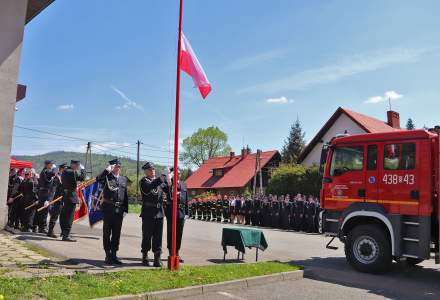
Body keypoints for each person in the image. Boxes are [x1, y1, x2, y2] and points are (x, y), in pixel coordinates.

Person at [96, 159, 129, 265]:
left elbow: (125, 195)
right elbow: (98, 179)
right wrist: (106, 171)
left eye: (119, 166)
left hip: (119, 210)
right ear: (111, 167)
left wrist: (126, 209)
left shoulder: (123, 179)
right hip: (108, 209)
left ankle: (114, 254)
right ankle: (107, 254)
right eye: (115, 166)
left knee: (116, 233)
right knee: (107, 232)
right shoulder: (106, 177)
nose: (117, 168)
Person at [139, 162, 168, 267]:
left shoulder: (159, 182)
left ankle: (157, 258)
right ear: (146, 171)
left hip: (159, 212)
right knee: (147, 235)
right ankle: (145, 256)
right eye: (150, 169)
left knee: (158, 236)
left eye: (154, 169)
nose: (153, 171)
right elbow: (149, 188)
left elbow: (168, 190)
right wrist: (161, 178)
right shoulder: (144, 181)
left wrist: (170, 180)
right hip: (148, 212)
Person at [164, 168, 188, 263]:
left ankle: (177, 253)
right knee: (171, 232)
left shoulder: (183, 184)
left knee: (179, 233)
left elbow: (186, 199)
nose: (178, 174)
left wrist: (187, 212)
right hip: (172, 211)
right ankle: (171, 252)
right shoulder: (169, 184)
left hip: (181, 212)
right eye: (176, 173)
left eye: (179, 173)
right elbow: (167, 194)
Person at [59, 160, 85, 242]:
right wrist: (83, 170)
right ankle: (66, 235)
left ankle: (63, 232)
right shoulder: (72, 172)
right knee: (69, 217)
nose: (78, 167)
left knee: (64, 215)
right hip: (71, 196)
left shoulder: (65, 171)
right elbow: (82, 178)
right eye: (77, 165)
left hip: (66, 195)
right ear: (73, 165)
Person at [35, 160, 57, 233]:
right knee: (44, 212)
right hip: (45, 193)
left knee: (43, 211)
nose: (52, 165)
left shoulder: (44, 171)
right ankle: (42, 228)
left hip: (43, 193)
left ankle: (41, 227)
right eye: (51, 164)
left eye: (52, 164)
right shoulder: (46, 171)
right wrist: (54, 168)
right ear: (47, 165)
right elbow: (54, 173)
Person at [47, 163, 66, 238]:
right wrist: (49, 200)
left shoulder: (64, 177)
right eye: (64, 169)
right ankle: (50, 231)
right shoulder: (57, 177)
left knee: (63, 217)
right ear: (61, 169)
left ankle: (63, 232)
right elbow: (53, 189)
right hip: (57, 199)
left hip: (63, 199)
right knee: (54, 216)